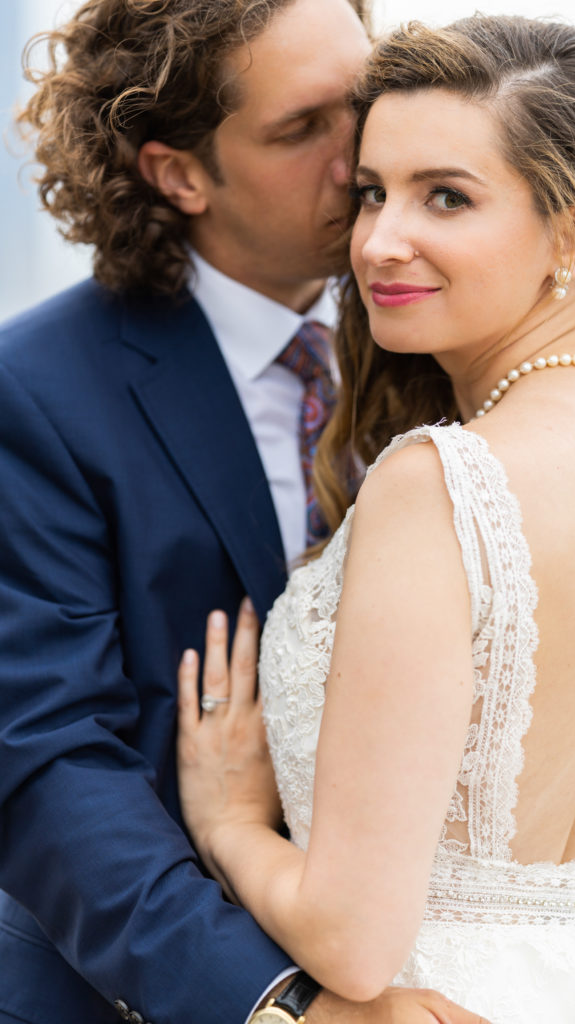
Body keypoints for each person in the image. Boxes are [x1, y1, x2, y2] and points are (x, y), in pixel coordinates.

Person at [175, 14, 575, 1023]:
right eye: (370, 192)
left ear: (574, 234)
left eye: (444, 196)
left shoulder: (440, 484)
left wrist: (229, 821)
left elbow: (356, 943)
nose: (377, 241)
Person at [0, 1, 483, 1022]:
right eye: (302, 127)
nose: (363, 154)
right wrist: (279, 1004)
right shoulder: (35, 392)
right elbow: (48, 758)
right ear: (179, 172)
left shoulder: (450, 329)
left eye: (367, 98)